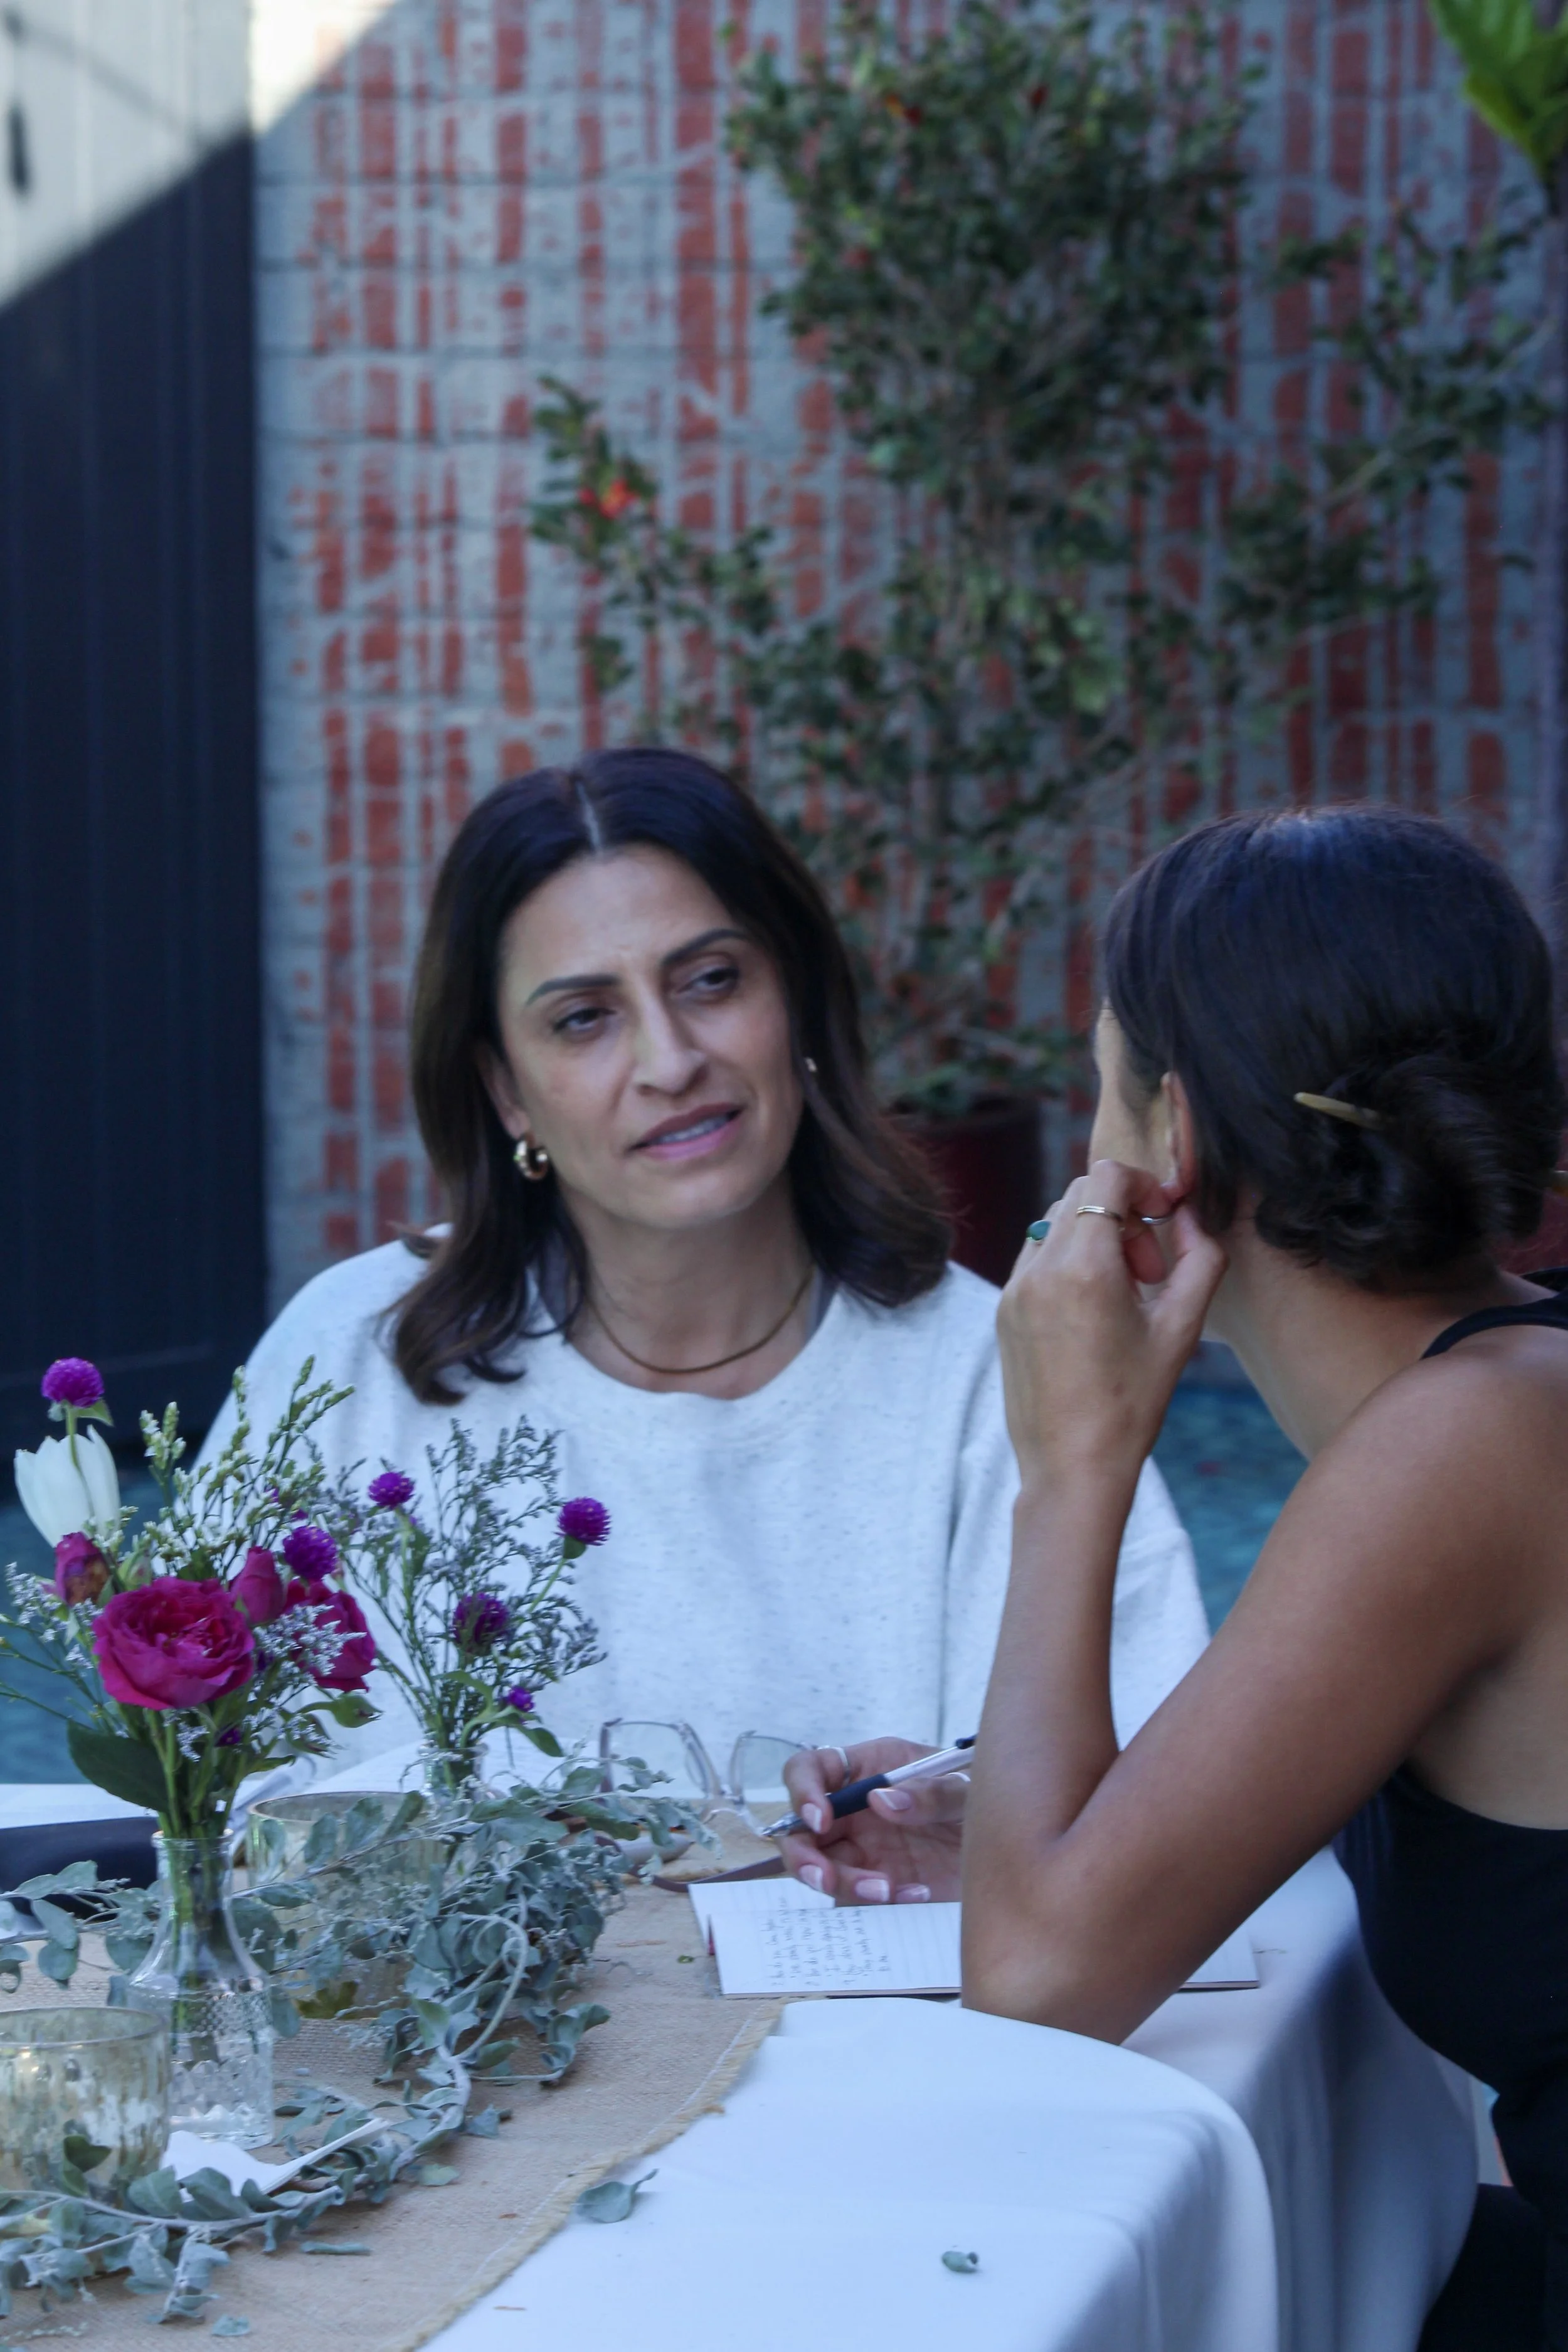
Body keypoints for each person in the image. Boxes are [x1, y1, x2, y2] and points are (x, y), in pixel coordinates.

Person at [780, 804, 1568, 2349]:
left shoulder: (1457, 1455)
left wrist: (1072, 1460)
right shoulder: (1500, 1395)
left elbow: (1037, 1984)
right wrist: (1013, 1823)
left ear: (1172, 1145)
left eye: (1097, 1088)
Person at [211, 748, 1206, 1793]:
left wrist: (953, 1829)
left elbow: (1155, 1811)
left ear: (799, 1002)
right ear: (506, 1089)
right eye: (584, 1017)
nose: (671, 1059)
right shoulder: (348, 1360)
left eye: (711, 980)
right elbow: (201, 1796)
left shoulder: (990, 1377)